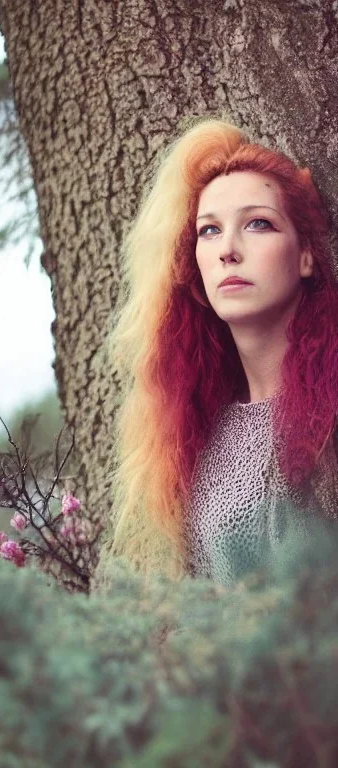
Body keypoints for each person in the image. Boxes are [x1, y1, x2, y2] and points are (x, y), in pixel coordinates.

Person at [101, 118, 338, 587]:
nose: (228, 249)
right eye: (209, 231)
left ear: (306, 255)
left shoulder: (330, 411)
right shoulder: (197, 435)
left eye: (258, 223)